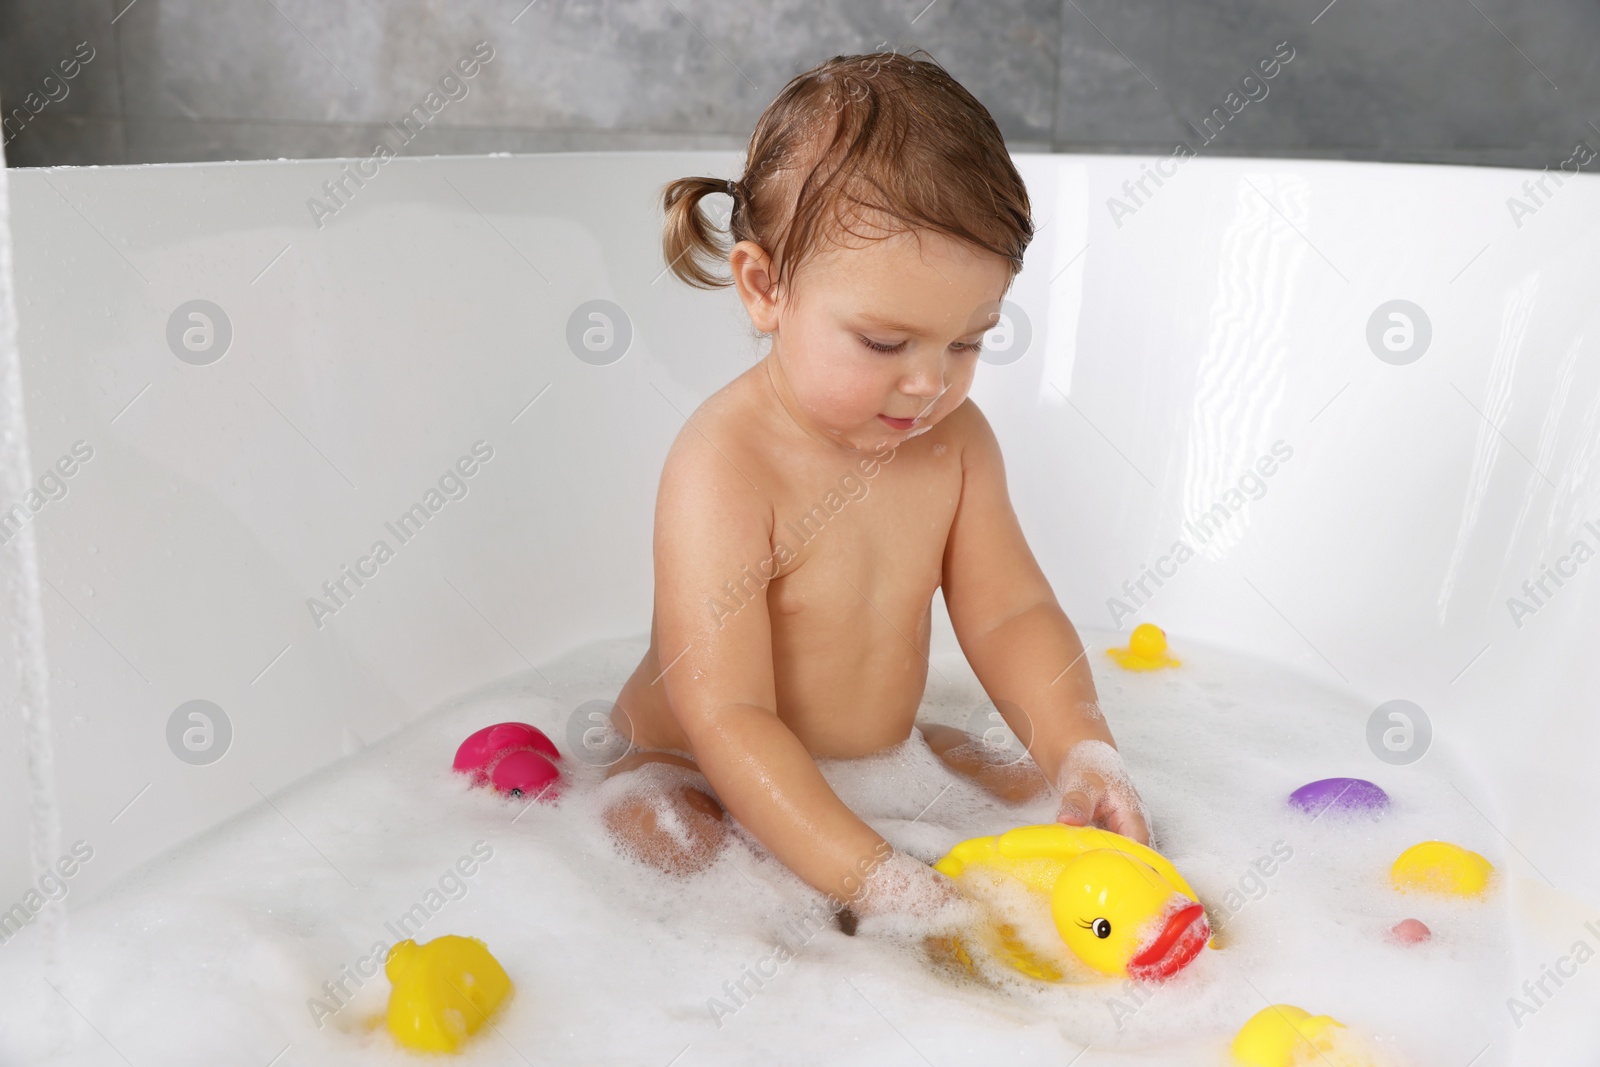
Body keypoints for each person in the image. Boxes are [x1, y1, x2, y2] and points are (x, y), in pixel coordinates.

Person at [599, 50, 1149, 930]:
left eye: (968, 342)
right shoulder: (726, 465)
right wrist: (873, 877)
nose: (929, 383)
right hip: (695, 761)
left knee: (1039, 792)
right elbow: (729, 716)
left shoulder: (955, 446)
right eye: (886, 344)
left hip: (877, 756)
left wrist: (1086, 752)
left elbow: (1010, 617)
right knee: (676, 851)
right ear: (764, 285)